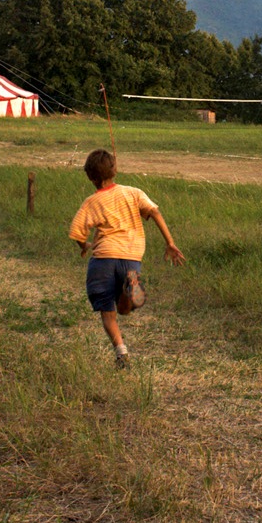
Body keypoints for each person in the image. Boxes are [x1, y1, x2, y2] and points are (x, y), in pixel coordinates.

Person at [69, 148, 185, 368]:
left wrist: (84, 245)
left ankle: (121, 352)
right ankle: (128, 286)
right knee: (125, 309)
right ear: (115, 169)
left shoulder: (91, 202)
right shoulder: (133, 192)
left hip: (103, 259)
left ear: (90, 177)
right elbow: (155, 213)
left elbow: (76, 231)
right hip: (131, 258)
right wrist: (169, 243)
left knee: (108, 311)